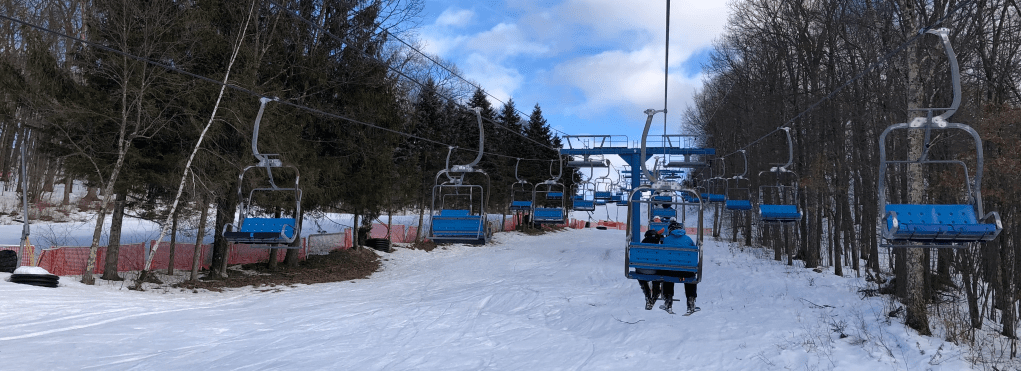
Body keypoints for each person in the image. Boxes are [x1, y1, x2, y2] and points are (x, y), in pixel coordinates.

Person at [661, 221, 700, 314]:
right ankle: (691, 302)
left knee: (667, 275)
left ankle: (668, 301)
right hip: (687, 272)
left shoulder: (666, 240)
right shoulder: (688, 239)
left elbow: (663, 256)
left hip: (671, 272)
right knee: (690, 277)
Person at [636, 229, 664, 310]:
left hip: (641, 270)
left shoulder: (641, 243)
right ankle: (656, 291)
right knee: (658, 271)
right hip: (654, 271)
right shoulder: (658, 243)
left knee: (640, 274)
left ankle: (647, 294)